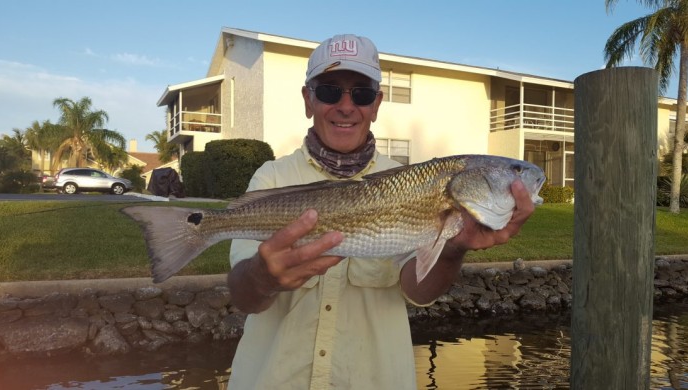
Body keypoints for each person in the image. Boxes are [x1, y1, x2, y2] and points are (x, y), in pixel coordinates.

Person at [226, 34, 535, 389]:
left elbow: (419, 292)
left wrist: (453, 245)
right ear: (308, 100)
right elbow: (241, 295)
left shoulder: (414, 182)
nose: (346, 106)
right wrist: (261, 277)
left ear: (376, 104)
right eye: (329, 90)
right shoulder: (271, 178)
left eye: (362, 93)